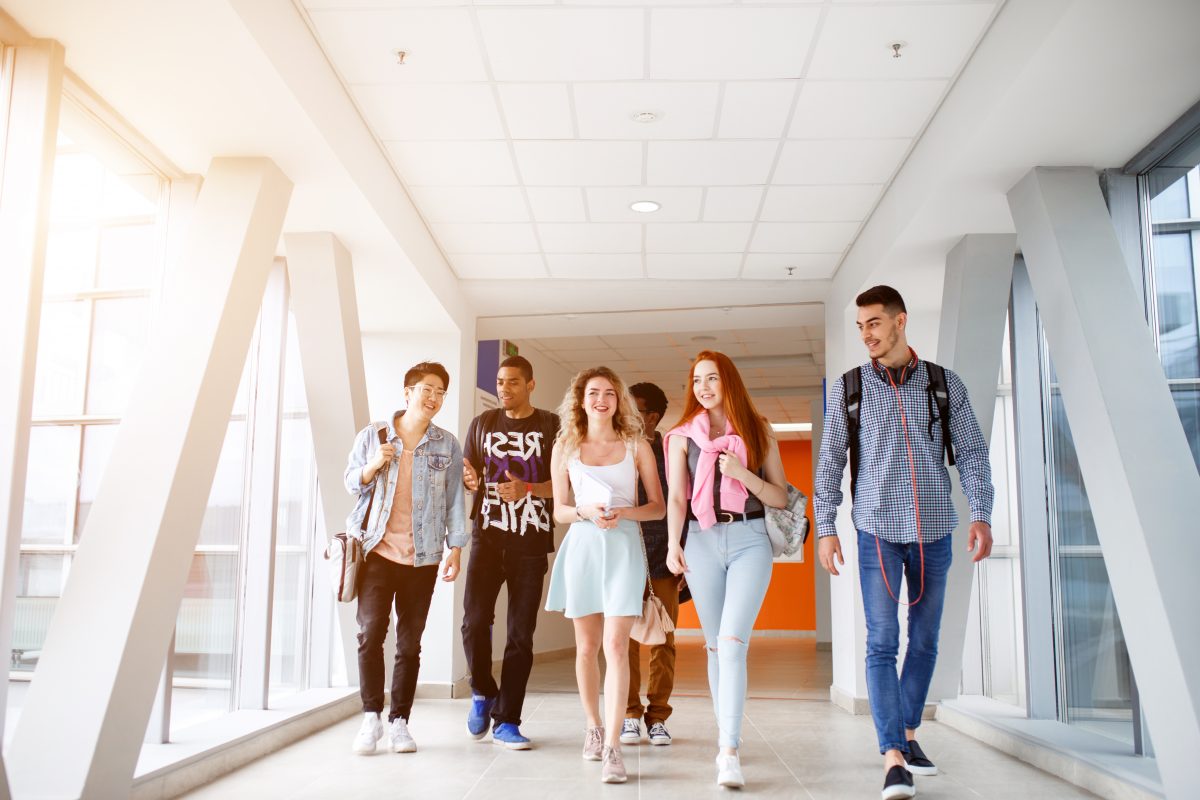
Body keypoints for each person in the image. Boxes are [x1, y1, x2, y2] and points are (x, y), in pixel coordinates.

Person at [815, 285, 994, 800]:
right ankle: (893, 755)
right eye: (860, 326)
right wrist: (826, 527)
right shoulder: (850, 388)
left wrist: (981, 513)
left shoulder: (942, 384)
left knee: (926, 639)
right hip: (875, 529)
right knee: (881, 641)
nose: (866, 334)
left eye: (873, 323)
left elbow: (974, 454)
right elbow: (830, 464)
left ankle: (910, 734)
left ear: (900, 321)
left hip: (934, 529)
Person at [664, 351, 789, 789]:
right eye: (697, 379)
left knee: (733, 642)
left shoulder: (758, 430)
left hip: (749, 539)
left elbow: (779, 496)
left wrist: (741, 473)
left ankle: (729, 751)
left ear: (728, 382)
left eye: (712, 378)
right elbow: (677, 499)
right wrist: (672, 545)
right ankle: (726, 737)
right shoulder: (680, 437)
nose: (703, 387)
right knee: (715, 647)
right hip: (699, 540)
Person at [545, 367, 665, 784]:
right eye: (593, 393)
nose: (601, 400)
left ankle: (614, 746)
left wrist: (622, 513)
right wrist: (585, 511)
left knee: (616, 645)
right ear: (580, 400)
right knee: (587, 646)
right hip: (582, 547)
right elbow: (560, 510)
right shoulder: (565, 445)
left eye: (609, 393)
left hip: (624, 548)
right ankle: (593, 726)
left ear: (619, 401)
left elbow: (659, 507)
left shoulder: (637, 445)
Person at [343, 361, 466, 755]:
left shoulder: (446, 443)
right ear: (407, 391)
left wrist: (456, 548)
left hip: (424, 557)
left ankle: (399, 722)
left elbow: (454, 501)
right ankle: (371, 717)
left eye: (440, 392)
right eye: (427, 389)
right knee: (370, 635)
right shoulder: (374, 435)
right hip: (378, 551)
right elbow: (350, 482)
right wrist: (374, 464)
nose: (433, 398)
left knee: (410, 644)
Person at [460, 355, 559, 750]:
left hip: (531, 542)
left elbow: (565, 485)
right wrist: (469, 481)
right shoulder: (482, 424)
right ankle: (483, 690)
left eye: (514, 382)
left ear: (531, 385)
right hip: (487, 537)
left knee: (520, 634)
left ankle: (507, 721)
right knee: (473, 622)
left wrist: (529, 489)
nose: (504, 389)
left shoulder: (551, 426)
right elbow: (468, 477)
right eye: (501, 382)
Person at [621, 382, 680, 748]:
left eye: (635, 409)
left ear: (653, 417)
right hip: (624, 555)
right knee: (623, 639)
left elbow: (680, 503)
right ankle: (629, 714)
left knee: (664, 639)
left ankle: (657, 715)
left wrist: (680, 551)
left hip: (663, 557)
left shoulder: (673, 450)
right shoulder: (617, 449)